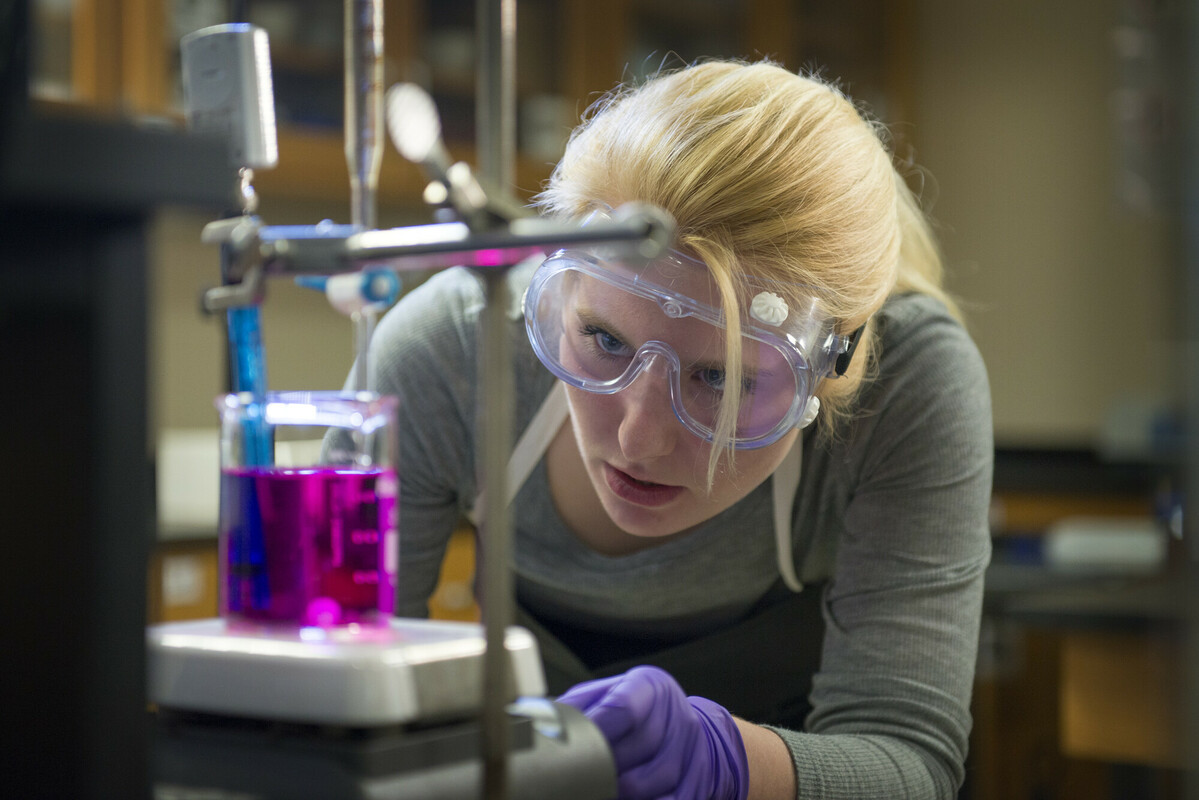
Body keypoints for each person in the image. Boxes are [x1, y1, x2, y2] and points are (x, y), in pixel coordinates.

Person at [362, 59, 993, 800]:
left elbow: (909, 761)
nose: (639, 439)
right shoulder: (454, 351)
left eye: (721, 378)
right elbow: (341, 686)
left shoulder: (909, 383)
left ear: (832, 363)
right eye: (603, 339)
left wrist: (723, 762)